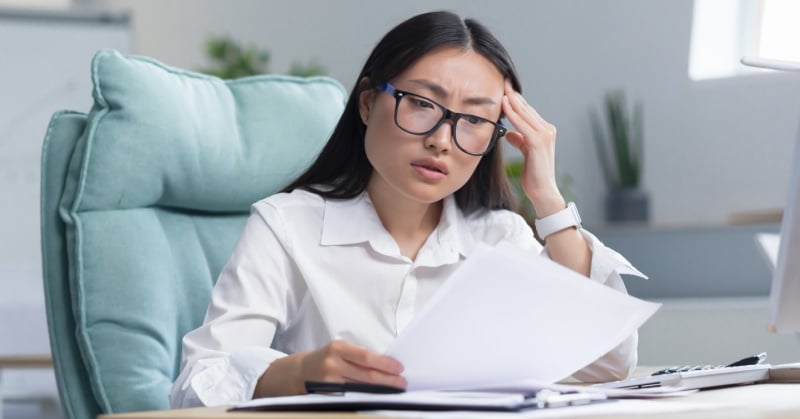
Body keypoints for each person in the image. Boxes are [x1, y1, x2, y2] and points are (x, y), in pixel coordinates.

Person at [169, 10, 644, 408]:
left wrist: (550, 204)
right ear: (369, 104)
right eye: (421, 103)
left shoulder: (499, 236)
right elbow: (196, 386)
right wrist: (297, 372)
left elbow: (605, 364)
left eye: (474, 120)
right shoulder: (287, 225)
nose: (441, 139)